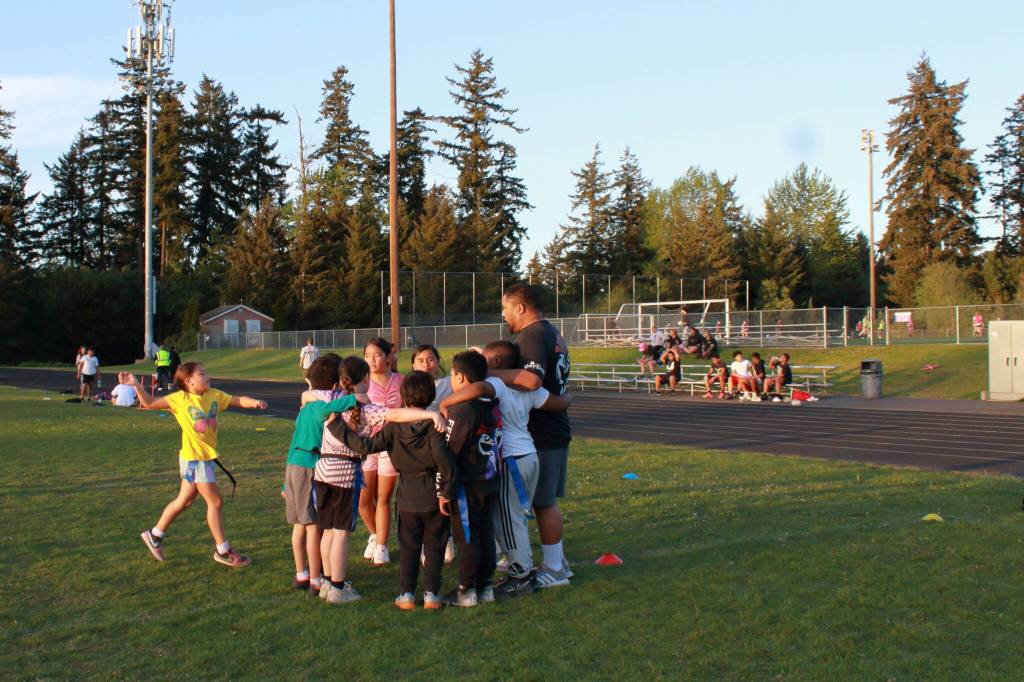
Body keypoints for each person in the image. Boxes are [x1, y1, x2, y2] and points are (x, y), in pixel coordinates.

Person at [439, 341, 573, 599]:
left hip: (511, 459)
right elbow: (557, 403)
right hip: (530, 455)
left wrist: (446, 403)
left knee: (508, 519)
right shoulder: (528, 390)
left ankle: (521, 575)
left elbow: (477, 386)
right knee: (515, 516)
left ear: (498, 363)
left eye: (488, 360)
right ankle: (518, 565)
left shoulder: (498, 385)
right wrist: (569, 396)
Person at [317, 359, 446, 606]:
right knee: (342, 532)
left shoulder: (329, 400)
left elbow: (308, 396)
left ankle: (325, 581)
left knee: (329, 530)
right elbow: (396, 414)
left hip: (322, 471)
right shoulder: (368, 410)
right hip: (344, 474)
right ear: (365, 379)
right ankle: (337, 587)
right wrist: (430, 413)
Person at [129, 362, 268, 567]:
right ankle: (223, 550)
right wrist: (135, 384)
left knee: (184, 500)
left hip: (203, 458)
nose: (207, 377)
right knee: (215, 502)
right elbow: (149, 403)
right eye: (202, 374)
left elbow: (237, 400)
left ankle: (154, 535)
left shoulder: (213, 395)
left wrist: (254, 402)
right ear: (189, 381)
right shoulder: (179, 399)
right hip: (194, 459)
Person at [491, 283, 573, 589]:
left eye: (506, 307)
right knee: (542, 502)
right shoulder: (552, 333)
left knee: (544, 502)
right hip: (555, 426)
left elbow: (530, 379)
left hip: (543, 432)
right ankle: (557, 562)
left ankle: (554, 568)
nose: (503, 314)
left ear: (521, 308)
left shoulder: (533, 335)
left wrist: (485, 373)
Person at [284, 356, 361, 594]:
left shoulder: (306, 407)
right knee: (313, 526)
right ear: (335, 383)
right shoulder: (320, 406)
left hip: (293, 464)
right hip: (309, 465)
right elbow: (333, 407)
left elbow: (294, 439)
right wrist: (355, 397)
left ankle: (301, 573)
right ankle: (316, 579)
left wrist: (284, 484)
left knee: (298, 525)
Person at [360, 337, 403, 566]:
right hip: (366, 447)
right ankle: (375, 535)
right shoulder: (361, 383)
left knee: (383, 498)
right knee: (363, 500)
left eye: (376, 355)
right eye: (367, 356)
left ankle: (383, 547)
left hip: (391, 447)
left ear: (388, 357)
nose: (371, 360)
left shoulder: (401, 381)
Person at [412, 344, 451, 411]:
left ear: (438, 362)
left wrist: (444, 403)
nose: (426, 364)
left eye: (430, 360)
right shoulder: (409, 386)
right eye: (420, 361)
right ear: (414, 366)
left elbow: (474, 387)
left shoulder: (449, 383)